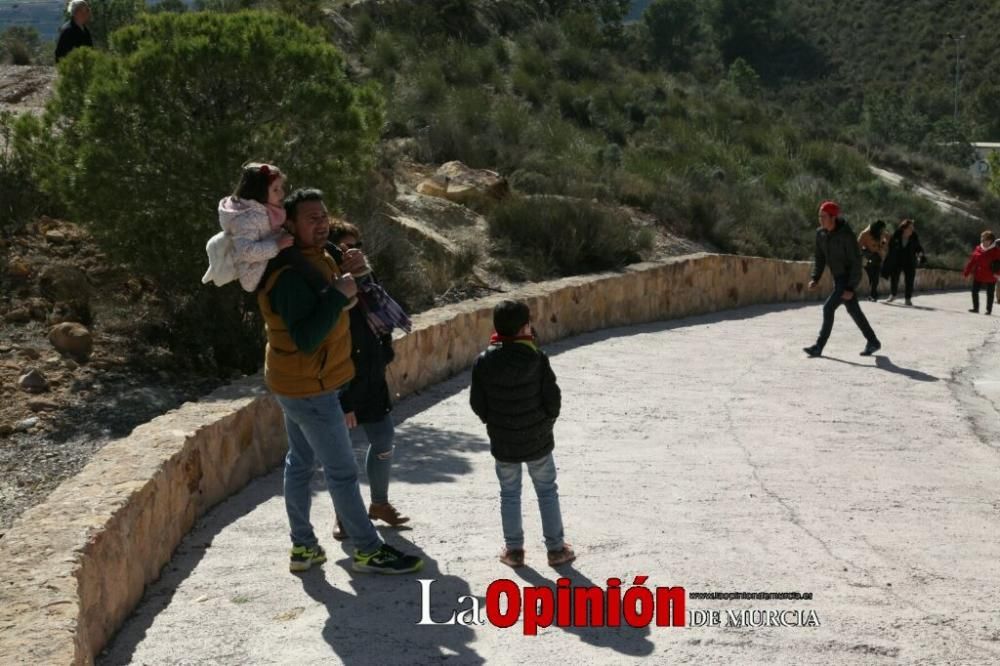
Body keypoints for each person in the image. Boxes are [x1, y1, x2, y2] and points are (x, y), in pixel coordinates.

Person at [258, 187, 423, 575]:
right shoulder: (287, 275)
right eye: (311, 218)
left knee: (299, 463)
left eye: (324, 216)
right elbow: (306, 337)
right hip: (310, 388)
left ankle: (303, 548)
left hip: (302, 384)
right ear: (291, 225)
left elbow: (347, 301)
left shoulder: (322, 257)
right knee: (342, 472)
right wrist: (337, 296)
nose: (320, 224)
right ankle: (367, 549)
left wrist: (356, 274)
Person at [470, 300, 575, 568]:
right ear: (523, 327)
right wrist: (547, 421)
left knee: (509, 493)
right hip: (538, 439)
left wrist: (492, 422)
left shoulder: (484, 361)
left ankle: (514, 550)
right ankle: (555, 549)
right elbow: (553, 398)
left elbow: (477, 402)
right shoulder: (536, 358)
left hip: (503, 441)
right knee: (547, 490)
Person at [326, 220, 410, 540]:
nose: (352, 253)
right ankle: (343, 516)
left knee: (384, 440)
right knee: (341, 457)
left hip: (372, 379)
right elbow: (331, 347)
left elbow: (385, 320)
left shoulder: (368, 280)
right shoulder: (330, 288)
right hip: (343, 384)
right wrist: (343, 399)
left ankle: (378, 504)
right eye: (344, 248)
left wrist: (385, 355)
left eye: (355, 246)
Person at [803, 200, 882, 358]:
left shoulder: (847, 235)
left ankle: (819, 346)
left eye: (823, 216)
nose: (820, 219)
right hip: (837, 277)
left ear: (833, 217)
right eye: (819, 216)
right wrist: (815, 278)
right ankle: (873, 341)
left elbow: (856, 262)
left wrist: (850, 287)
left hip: (846, 279)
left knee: (828, 308)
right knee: (854, 311)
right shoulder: (821, 234)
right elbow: (820, 258)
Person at [882, 219, 926, 306]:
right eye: (910, 227)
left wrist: (920, 254)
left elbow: (918, 246)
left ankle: (908, 299)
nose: (912, 229)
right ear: (904, 228)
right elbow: (891, 245)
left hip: (909, 260)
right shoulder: (897, 234)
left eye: (912, 227)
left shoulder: (914, 236)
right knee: (894, 278)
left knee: (909, 280)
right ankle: (893, 295)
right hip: (897, 259)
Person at [962, 230, 1000, 315]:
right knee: (974, 291)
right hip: (979, 274)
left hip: (991, 275)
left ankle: (988, 310)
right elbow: (971, 262)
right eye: (982, 239)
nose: (983, 241)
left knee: (990, 293)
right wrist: (966, 273)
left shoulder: (996, 251)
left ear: (990, 240)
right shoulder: (978, 248)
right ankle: (975, 308)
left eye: (985, 239)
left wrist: (998, 274)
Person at [857, 220, 889, 301]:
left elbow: (885, 240)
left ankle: (873, 294)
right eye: (881, 229)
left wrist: (882, 245)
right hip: (868, 258)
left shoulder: (881, 233)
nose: (882, 231)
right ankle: (873, 294)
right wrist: (864, 253)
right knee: (872, 276)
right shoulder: (865, 233)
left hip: (877, 257)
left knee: (875, 276)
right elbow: (858, 246)